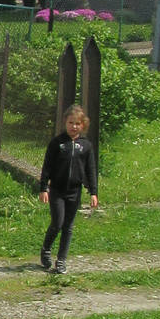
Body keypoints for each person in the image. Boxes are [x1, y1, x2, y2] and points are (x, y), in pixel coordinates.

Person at [38, 104, 99, 274]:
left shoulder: (86, 145)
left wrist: (93, 192)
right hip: (57, 190)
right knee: (57, 223)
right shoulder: (57, 143)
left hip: (74, 191)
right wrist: (44, 188)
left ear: (83, 125)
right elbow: (47, 166)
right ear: (65, 122)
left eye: (77, 123)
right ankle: (46, 249)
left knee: (68, 226)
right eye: (71, 123)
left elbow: (90, 170)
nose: (74, 126)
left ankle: (61, 260)